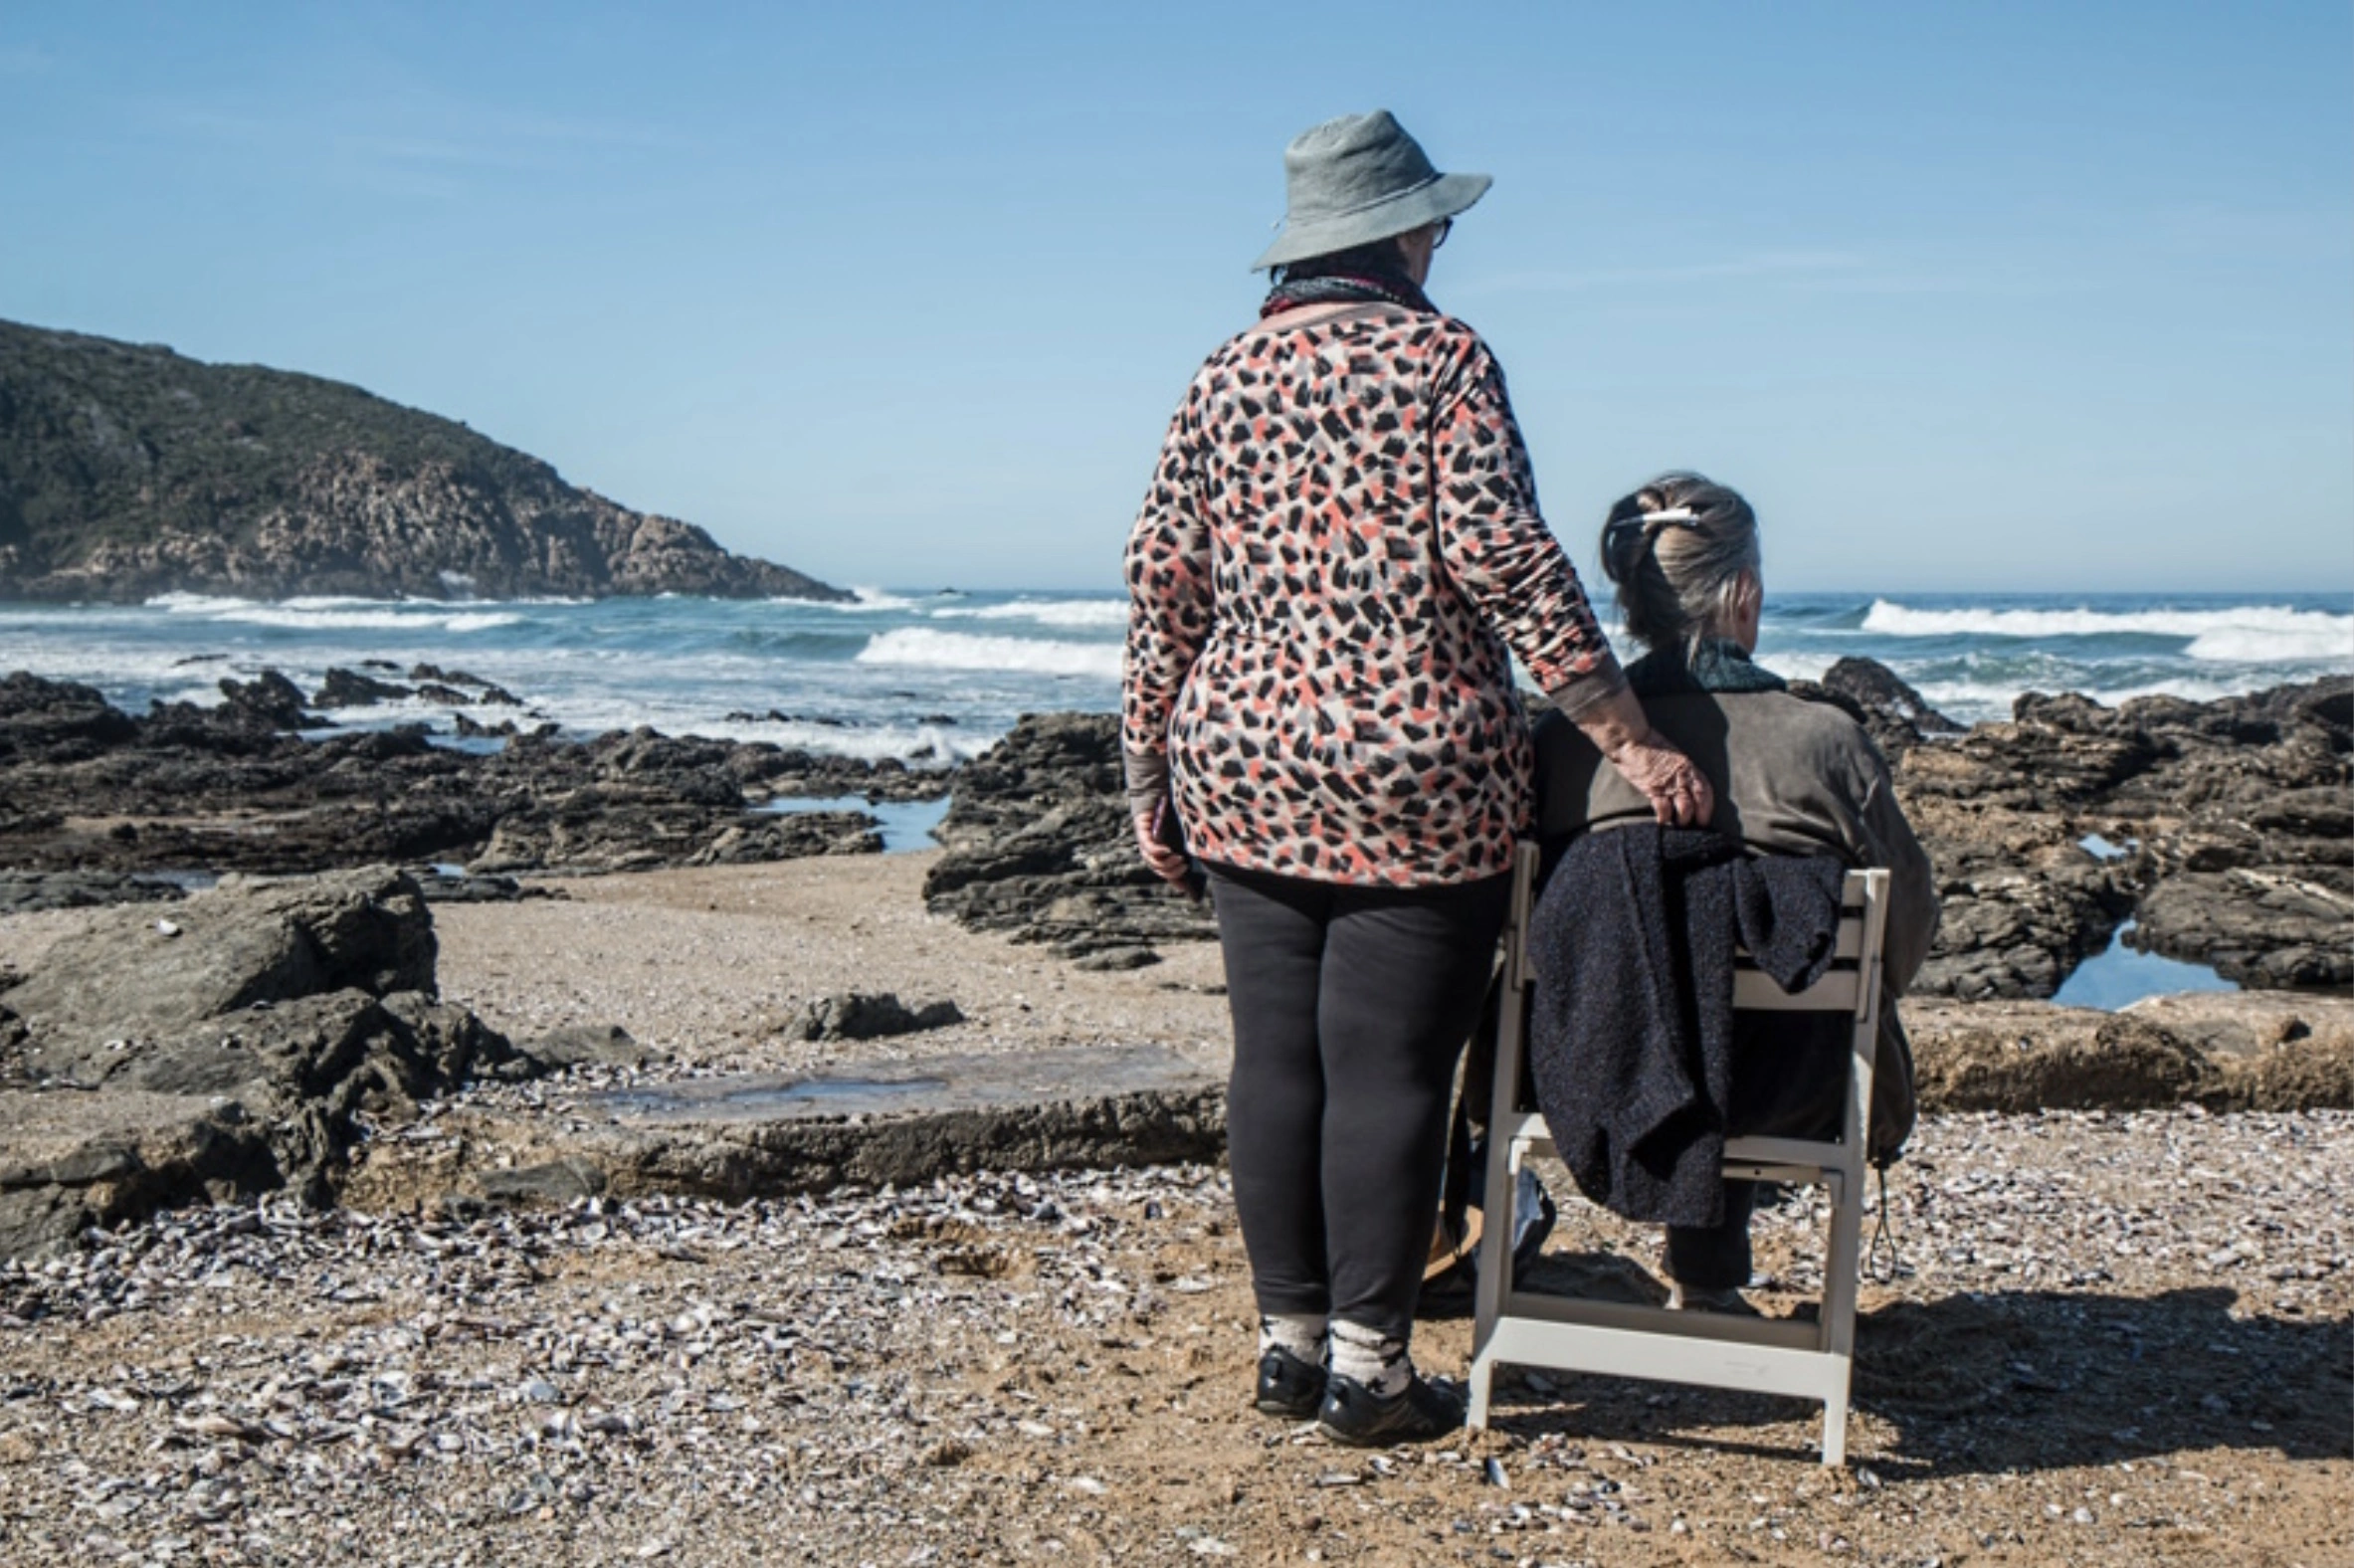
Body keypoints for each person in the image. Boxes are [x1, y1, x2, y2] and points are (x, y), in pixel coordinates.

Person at [1121, 109, 1716, 1445]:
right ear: (1397, 232)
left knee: (1274, 1061)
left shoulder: (1220, 375)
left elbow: (1162, 583)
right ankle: (1368, 1372)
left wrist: (1145, 772)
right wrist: (1624, 732)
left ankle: (1285, 1350)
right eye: (1434, 222)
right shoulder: (1441, 358)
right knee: (1388, 1068)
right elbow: (1505, 557)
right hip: (1416, 769)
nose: (1441, 240)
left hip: (1243, 757)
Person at [1530, 472, 1938, 1311]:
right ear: (1742, 592)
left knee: (1667, 964)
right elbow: (1907, 930)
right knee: (1752, 993)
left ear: (1635, 602)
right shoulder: (1824, 743)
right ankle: (1710, 1280)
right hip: (1791, 1089)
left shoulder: (1563, 747)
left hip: (1579, 1076)